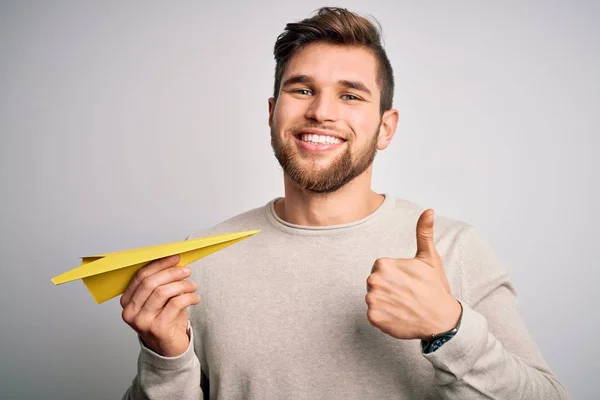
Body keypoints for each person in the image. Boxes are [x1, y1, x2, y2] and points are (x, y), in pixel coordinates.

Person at [120, 7, 568, 400]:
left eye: (350, 95)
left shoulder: (456, 250)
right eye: (302, 90)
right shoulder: (199, 259)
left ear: (386, 128)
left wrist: (448, 330)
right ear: (273, 112)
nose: (322, 112)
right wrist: (166, 360)